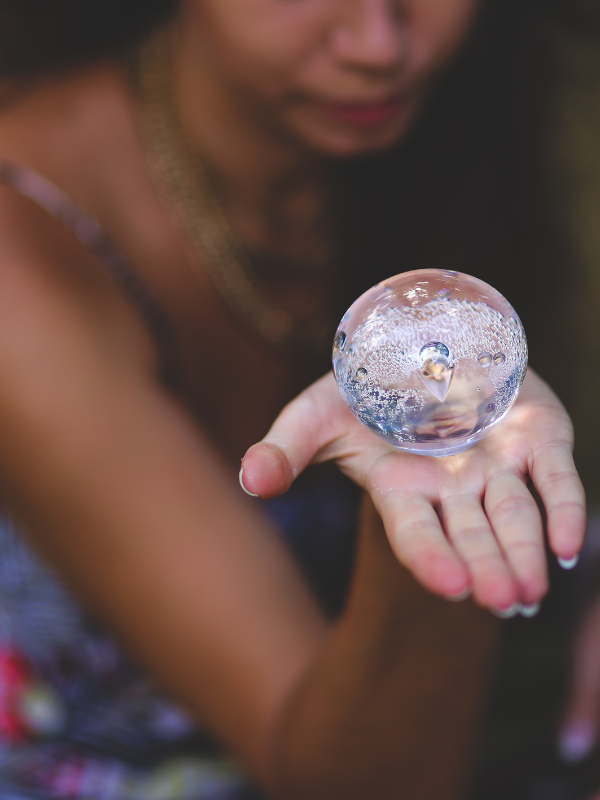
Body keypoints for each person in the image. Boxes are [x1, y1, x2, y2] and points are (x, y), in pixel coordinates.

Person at [0, 0, 587, 797]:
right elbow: (357, 785)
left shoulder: (503, 109)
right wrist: (441, 489)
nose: (379, 44)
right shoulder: (23, 256)